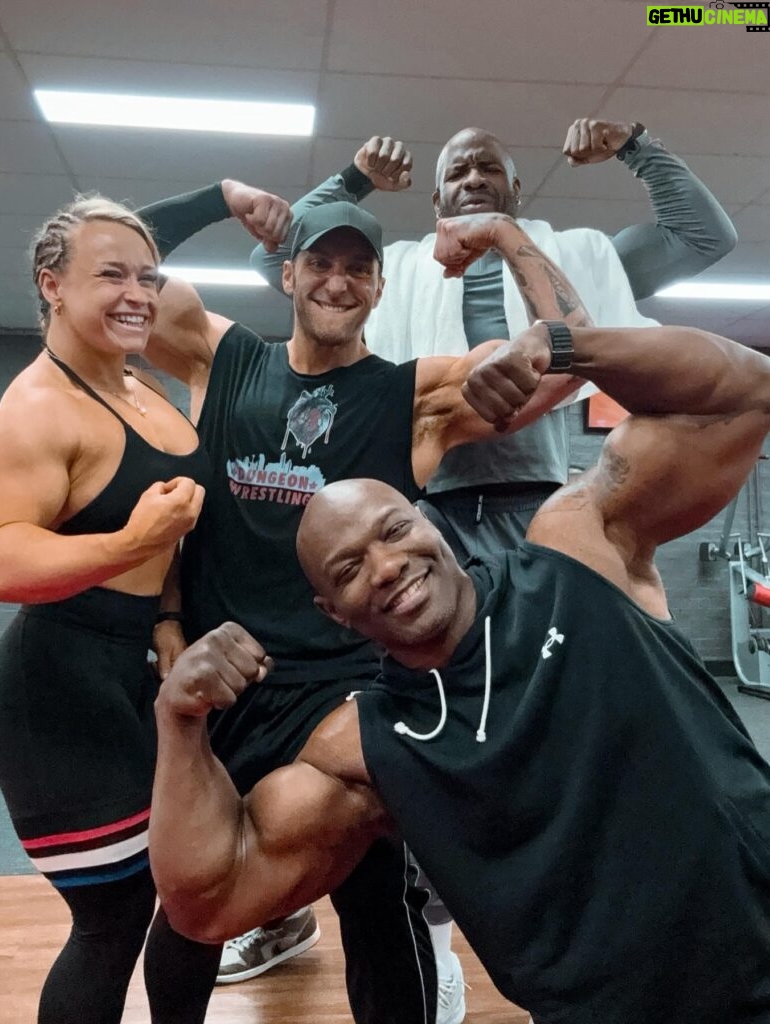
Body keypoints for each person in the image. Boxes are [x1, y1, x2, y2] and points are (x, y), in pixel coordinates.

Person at [149, 317, 770, 1024]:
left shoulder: (575, 552)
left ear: (430, 521)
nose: (387, 569)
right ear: (336, 614)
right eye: (351, 570)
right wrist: (180, 720)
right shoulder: (370, 746)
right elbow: (208, 901)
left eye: (393, 531)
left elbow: (743, 393)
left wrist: (563, 345)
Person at [140, 196, 594, 1024]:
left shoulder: (407, 395)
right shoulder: (223, 357)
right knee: (188, 906)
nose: (337, 281)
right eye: (320, 262)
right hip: (224, 682)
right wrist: (218, 200)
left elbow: (572, 355)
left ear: (381, 288)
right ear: (288, 274)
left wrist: (506, 234)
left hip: (341, 692)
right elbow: (118, 275)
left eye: (357, 268)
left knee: (378, 891)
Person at [0, 182, 289, 1024]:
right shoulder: (31, 413)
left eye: (148, 277)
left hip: (140, 675)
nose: (138, 294)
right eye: (112, 276)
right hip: (54, 697)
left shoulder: (140, 389)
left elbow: (169, 546)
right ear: (51, 284)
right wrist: (128, 543)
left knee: (197, 893)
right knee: (111, 923)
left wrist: (172, 621)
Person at [250, 118, 738, 555]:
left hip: (537, 502)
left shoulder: (571, 263)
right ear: (438, 200)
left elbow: (704, 236)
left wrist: (637, 146)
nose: (475, 179)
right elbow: (274, 260)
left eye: (489, 169)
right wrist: (353, 180)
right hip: (424, 505)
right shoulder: (391, 275)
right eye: (457, 173)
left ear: (516, 190)